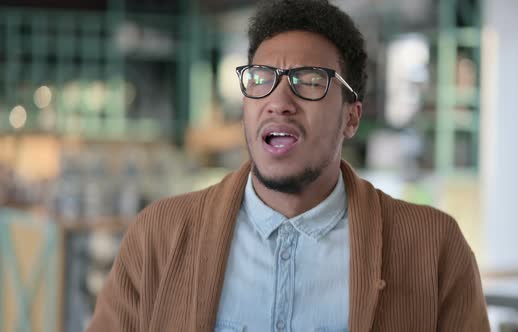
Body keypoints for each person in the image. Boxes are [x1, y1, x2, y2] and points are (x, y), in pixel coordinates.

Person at [88, 0, 490, 331]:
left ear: (351, 117)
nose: (278, 101)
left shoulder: (432, 247)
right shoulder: (160, 235)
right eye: (261, 78)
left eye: (310, 81)